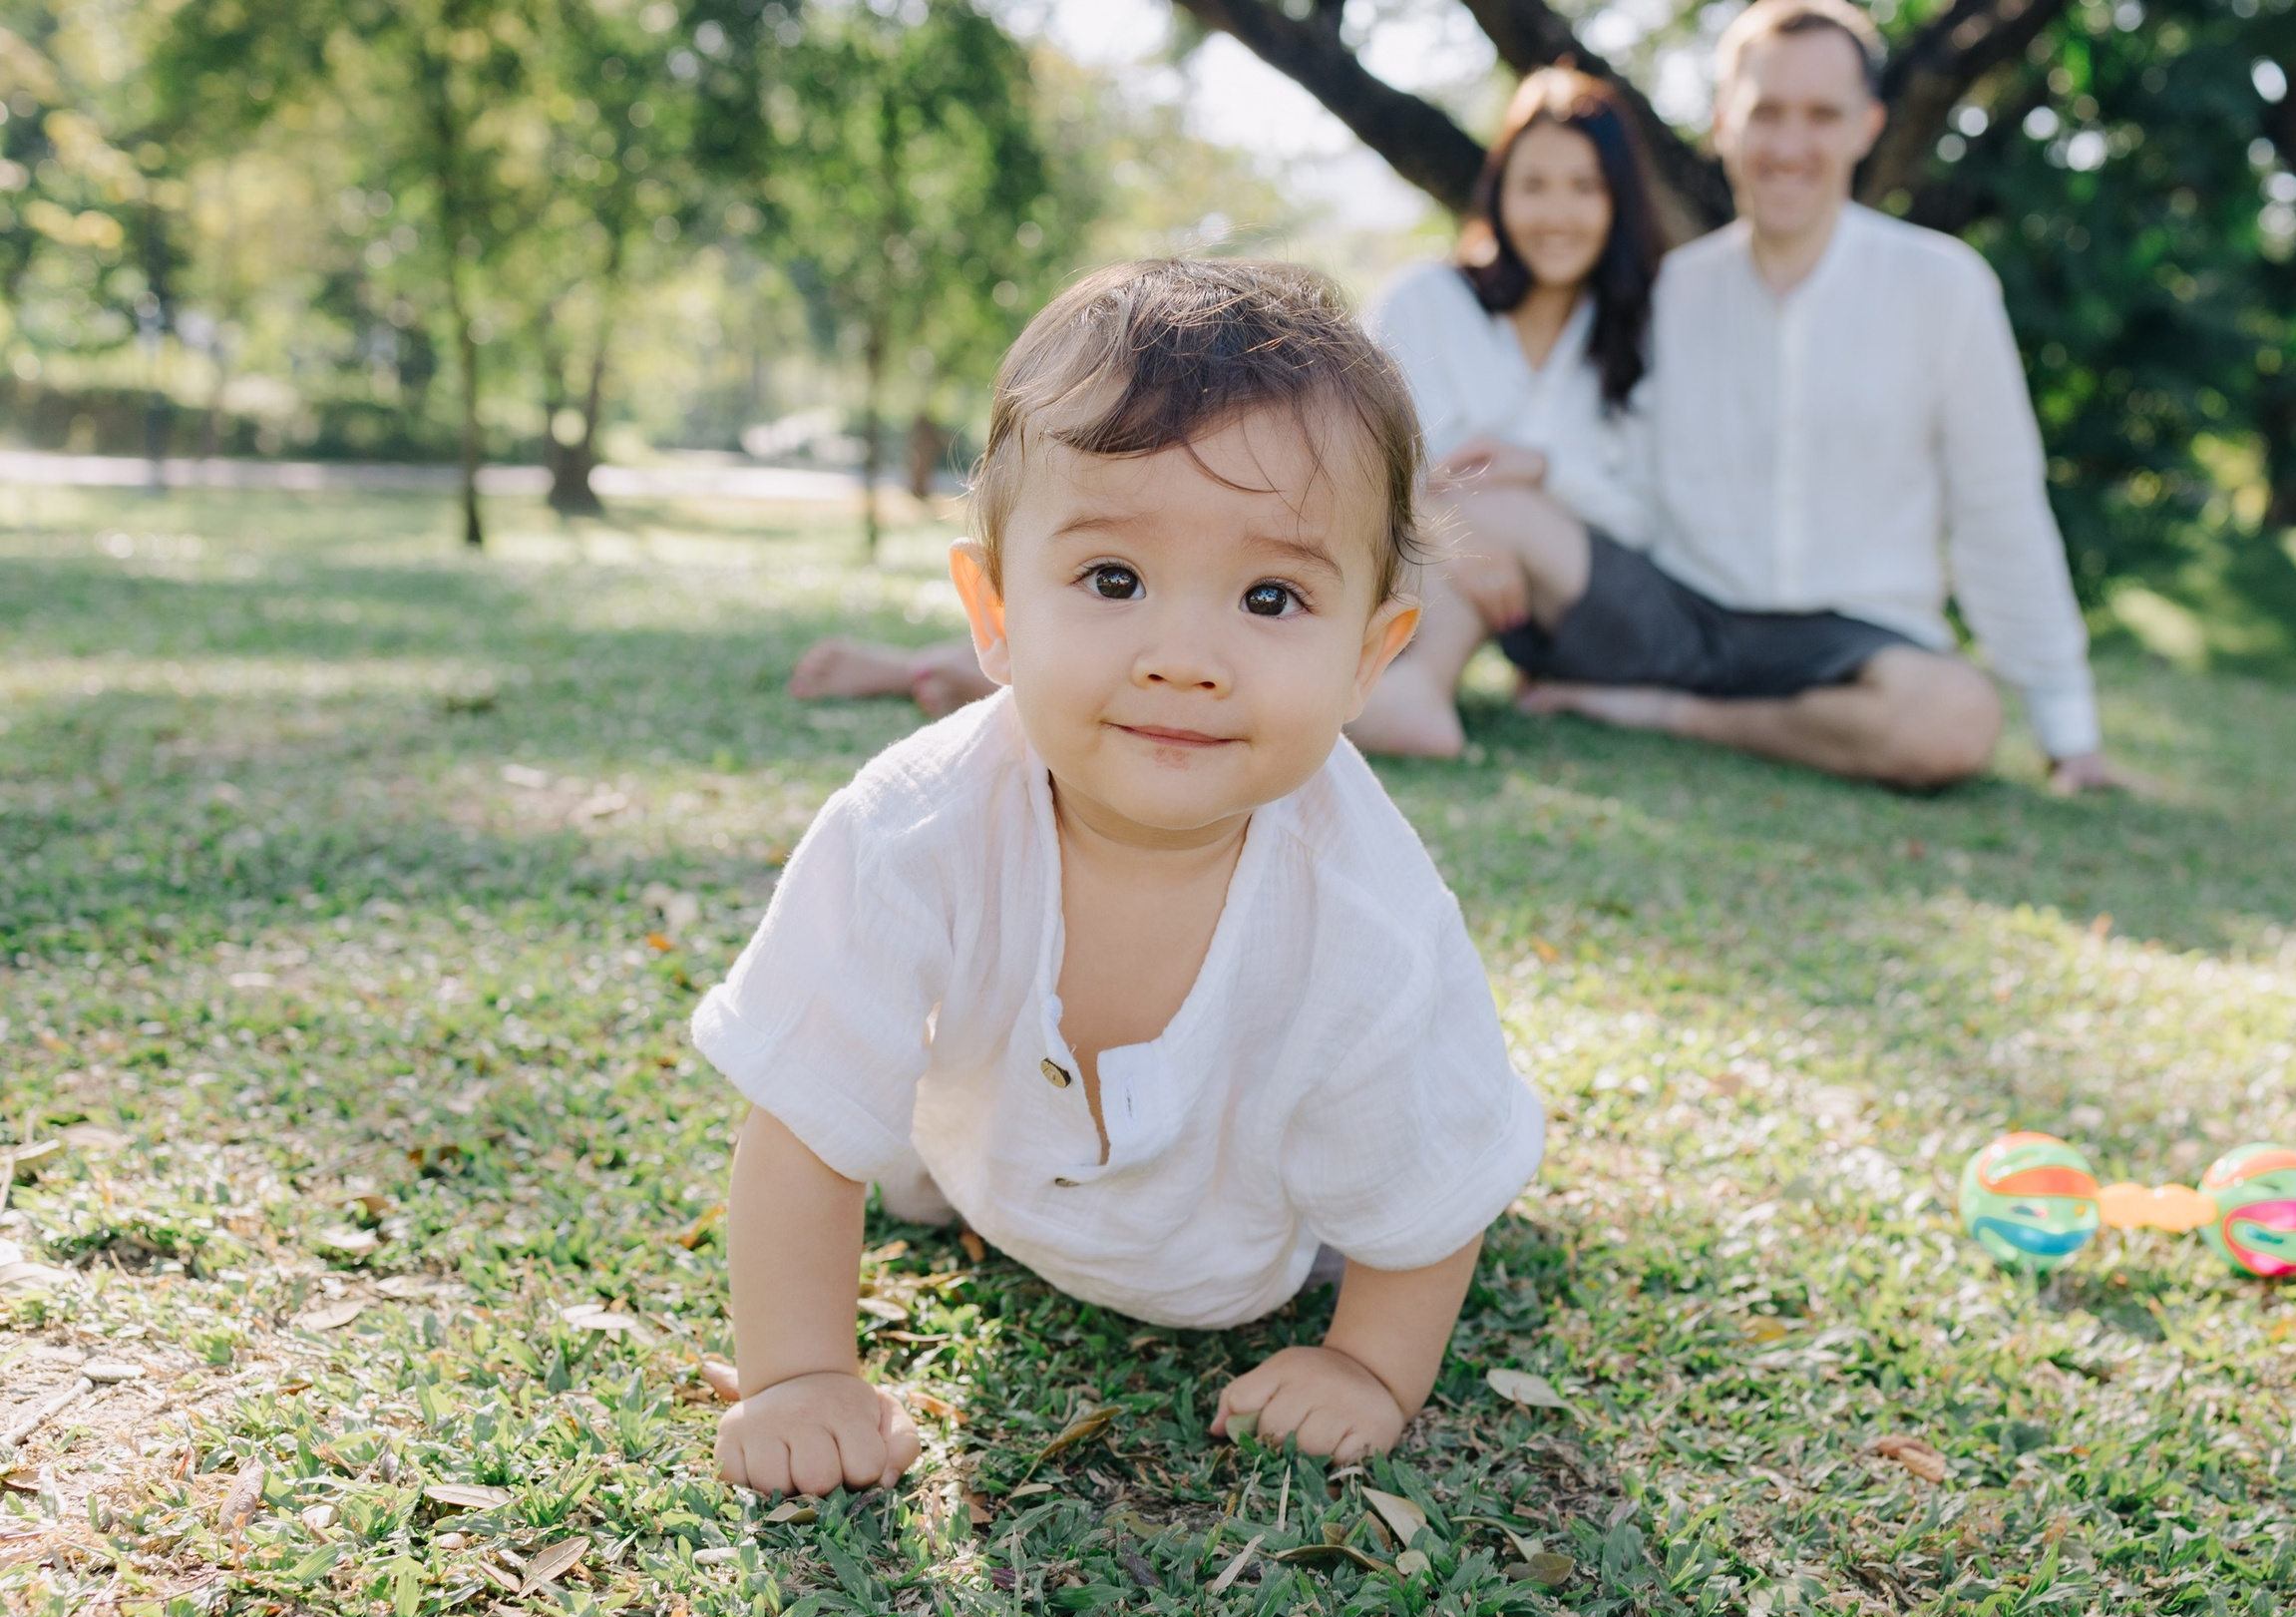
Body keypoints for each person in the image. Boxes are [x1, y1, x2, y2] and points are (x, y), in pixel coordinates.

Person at [691, 260, 1547, 1495]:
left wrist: (1367, 1365)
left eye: (1270, 596)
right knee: (881, 1136)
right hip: (998, 1179)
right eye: (1112, 581)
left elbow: (1433, 1175)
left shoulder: (1367, 912)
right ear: (992, 612)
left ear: (1370, 657)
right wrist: (801, 1376)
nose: (1184, 658)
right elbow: (805, 1119)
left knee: (1417, 1155)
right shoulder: (908, 828)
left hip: (1264, 1251)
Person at [1358, 0, 2123, 792]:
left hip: (1856, 640)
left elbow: (2000, 511)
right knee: (1492, 493)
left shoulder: (1945, 287)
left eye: (1822, 115)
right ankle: (1407, 694)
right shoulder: (1667, 293)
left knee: (1957, 719)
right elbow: (1606, 461)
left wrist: (2070, 733)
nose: (1790, 146)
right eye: (1767, 114)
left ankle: (1658, 712)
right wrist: (1534, 472)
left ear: (1867, 125)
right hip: (1677, 617)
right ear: (1725, 122)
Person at [1346, 67, 1665, 759]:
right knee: (1452, 505)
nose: (1557, 213)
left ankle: (1406, 687)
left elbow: (1648, 515)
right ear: (1499, 193)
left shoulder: (1644, 331)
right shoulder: (1423, 301)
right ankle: (1404, 690)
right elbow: (1362, 463)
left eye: (1585, 187)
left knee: (1491, 498)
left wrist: (1542, 472)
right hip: (1436, 577)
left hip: (1594, 601)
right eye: (1535, 185)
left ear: (1620, 201)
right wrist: (1450, 527)